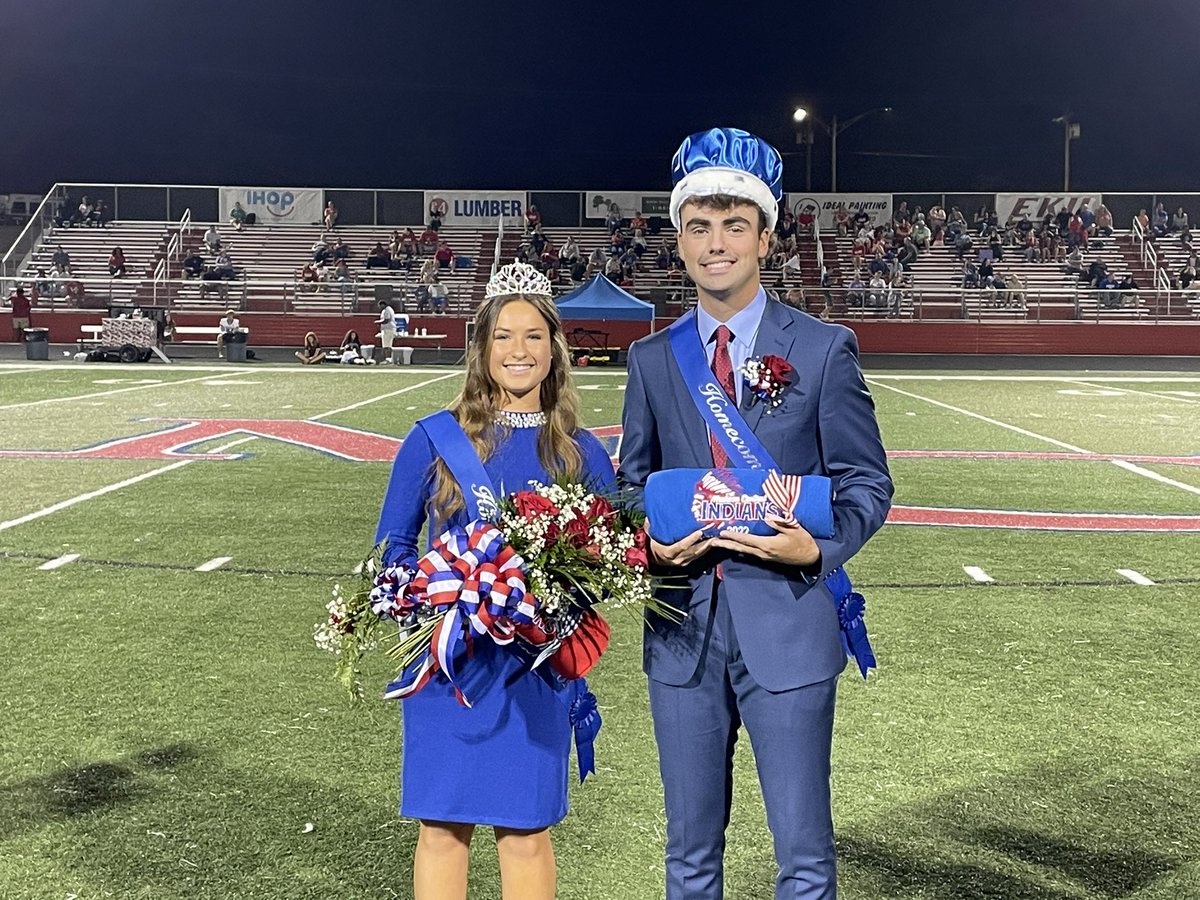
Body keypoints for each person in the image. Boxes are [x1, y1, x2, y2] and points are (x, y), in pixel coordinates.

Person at [618, 127, 892, 900]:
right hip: (682, 635)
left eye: (734, 225)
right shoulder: (651, 358)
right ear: (678, 240)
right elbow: (629, 485)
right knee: (689, 858)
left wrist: (820, 550)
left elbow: (867, 484)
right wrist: (648, 543)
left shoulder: (824, 348)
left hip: (791, 628)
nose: (716, 244)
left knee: (804, 858)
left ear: (766, 237)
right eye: (698, 226)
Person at [374, 261, 615, 900]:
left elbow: (611, 559)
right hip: (448, 662)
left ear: (554, 349)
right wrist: (432, 593)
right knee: (442, 827)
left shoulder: (582, 451)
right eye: (503, 336)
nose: (518, 350)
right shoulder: (432, 440)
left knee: (526, 829)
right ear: (481, 350)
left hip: (534, 666)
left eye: (533, 335)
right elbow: (393, 544)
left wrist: (556, 603)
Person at [377, 297, 399, 364]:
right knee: (388, 345)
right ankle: (389, 359)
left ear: (383, 305)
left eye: (380, 306)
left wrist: (378, 322)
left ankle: (388, 359)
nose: (380, 307)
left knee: (387, 346)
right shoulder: (389, 309)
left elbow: (386, 320)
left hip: (388, 330)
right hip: (389, 329)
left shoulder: (387, 310)